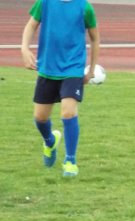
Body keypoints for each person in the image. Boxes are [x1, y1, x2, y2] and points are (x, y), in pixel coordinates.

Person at [21, 0, 100, 177]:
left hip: (73, 67)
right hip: (47, 68)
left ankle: (70, 161)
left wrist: (91, 69)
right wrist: (24, 49)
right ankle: (50, 141)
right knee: (40, 118)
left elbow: (95, 38)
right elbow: (30, 26)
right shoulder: (45, 3)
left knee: (68, 112)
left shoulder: (84, 7)